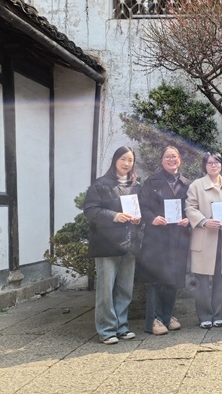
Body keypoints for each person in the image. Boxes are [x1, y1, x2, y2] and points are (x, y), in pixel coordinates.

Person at [84, 146, 141, 345]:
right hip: (106, 243)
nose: (127, 163)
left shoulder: (136, 186)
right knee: (106, 289)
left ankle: (121, 326)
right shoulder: (101, 184)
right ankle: (107, 330)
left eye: (130, 160)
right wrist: (114, 216)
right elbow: (90, 210)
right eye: (123, 159)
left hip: (129, 242)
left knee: (125, 288)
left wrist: (138, 219)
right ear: (115, 160)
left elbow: (140, 211)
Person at [138, 146, 191, 336]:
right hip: (157, 236)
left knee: (173, 278)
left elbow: (192, 207)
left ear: (180, 160)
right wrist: (152, 218)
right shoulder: (151, 182)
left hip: (178, 236)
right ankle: (154, 319)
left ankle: (167, 317)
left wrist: (188, 219)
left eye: (174, 156)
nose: (171, 160)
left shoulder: (187, 184)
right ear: (161, 160)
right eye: (167, 157)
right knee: (156, 279)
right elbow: (142, 205)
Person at [185, 152, 222, 329]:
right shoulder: (196, 185)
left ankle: (218, 315)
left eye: (217, 163)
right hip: (204, 238)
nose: (213, 165)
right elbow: (190, 207)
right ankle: (204, 315)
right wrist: (204, 221)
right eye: (210, 163)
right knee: (202, 280)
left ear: (221, 165)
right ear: (204, 166)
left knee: (221, 279)